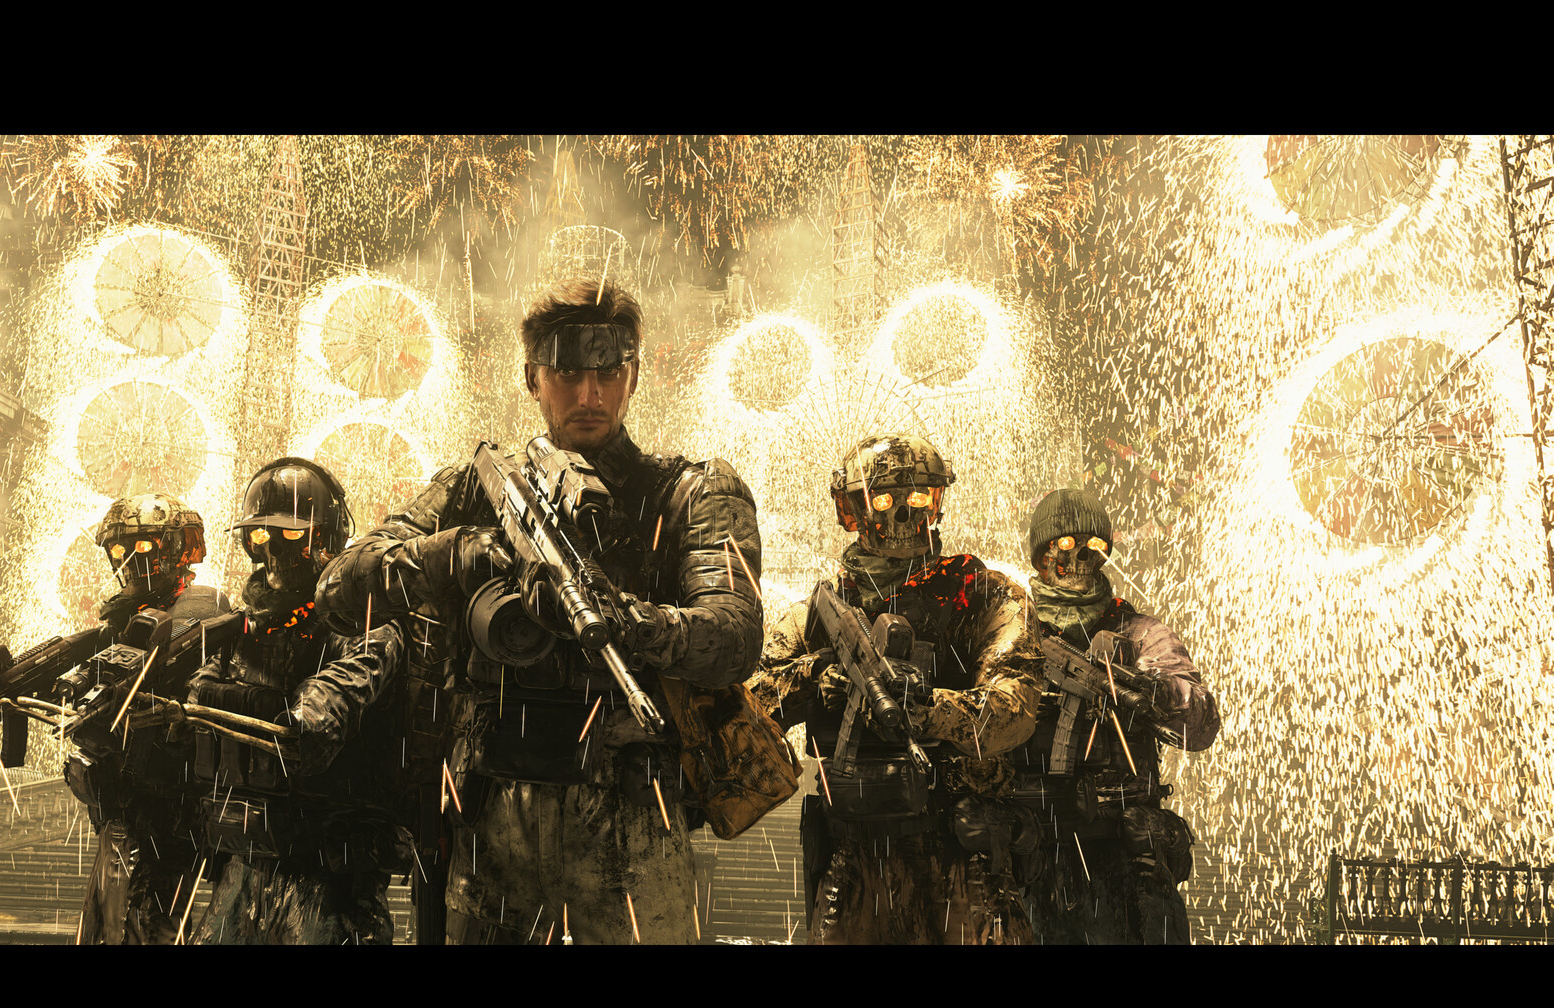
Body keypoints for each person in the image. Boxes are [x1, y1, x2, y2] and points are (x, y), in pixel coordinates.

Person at [316, 276, 765, 944]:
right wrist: (451, 553)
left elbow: (735, 637)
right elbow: (339, 592)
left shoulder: (687, 493)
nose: (588, 396)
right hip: (496, 817)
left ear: (634, 375)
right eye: (567, 373)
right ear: (532, 378)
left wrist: (629, 620)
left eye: (607, 373)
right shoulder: (479, 490)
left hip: (634, 819)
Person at [746, 433, 1044, 945]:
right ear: (851, 509)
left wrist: (927, 708)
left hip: (960, 852)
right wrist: (814, 678)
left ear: (938, 501)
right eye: (884, 499)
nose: (905, 513)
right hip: (855, 853)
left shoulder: (982, 596)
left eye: (920, 497)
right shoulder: (821, 613)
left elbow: (1014, 710)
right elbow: (749, 705)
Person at [162, 457, 411, 944]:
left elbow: (345, 685)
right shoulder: (244, 626)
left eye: (291, 534)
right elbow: (202, 689)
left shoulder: (363, 620)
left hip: (332, 872)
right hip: (249, 860)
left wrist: (306, 714)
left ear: (325, 538)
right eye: (260, 535)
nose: (273, 549)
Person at [1011, 488, 1219, 944]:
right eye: (1066, 545)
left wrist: (1152, 689)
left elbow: (1200, 723)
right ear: (1041, 556)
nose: (1081, 558)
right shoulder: (1012, 629)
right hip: (1034, 848)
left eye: (1095, 546)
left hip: (1121, 850)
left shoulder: (1141, 633)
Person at [66, 493, 230, 945]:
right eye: (120, 549)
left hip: (169, 814)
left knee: (152, 929)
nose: (130, 560)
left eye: (143, 547)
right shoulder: (124, 618)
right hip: (124, 811)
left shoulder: (200, 610)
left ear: (174, 549)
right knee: (106, 928)